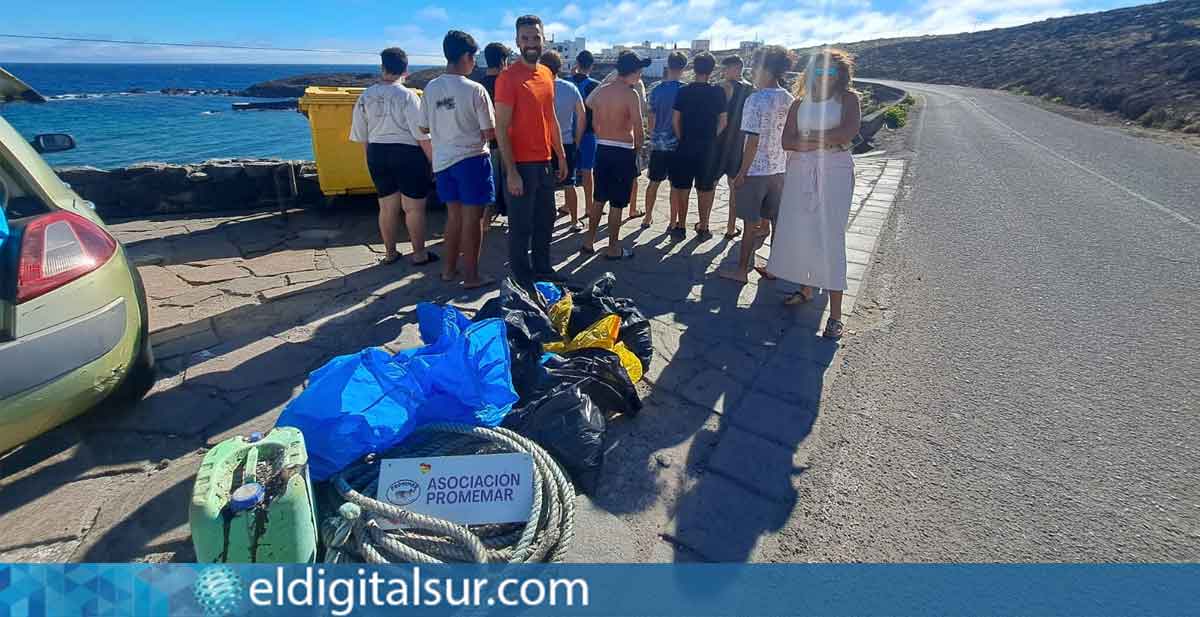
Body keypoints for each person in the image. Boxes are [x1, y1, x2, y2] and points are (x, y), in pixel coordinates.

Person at [767, 48, 861, 339]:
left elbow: (846, 134)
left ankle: (835, 315)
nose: (824, 76)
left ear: (840, 73)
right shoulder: (798, 103)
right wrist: (820, 141)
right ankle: (806, 288)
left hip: (834, 172)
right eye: (819, 70)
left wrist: (806, 140)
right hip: (800, 171)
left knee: (830, 236)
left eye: (830, 71)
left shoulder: (848, 99)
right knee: (802, 230)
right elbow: (786, 141)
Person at [494, 14, 569, 285]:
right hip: (520, 165)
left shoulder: (547, 74)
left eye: (535, 37)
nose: (531, 43)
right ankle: (522, 280)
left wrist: (560, 155)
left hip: (545, 162)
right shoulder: (507, 78)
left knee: (545, 221)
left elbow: (551, 119)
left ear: (544, 39)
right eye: (525, 38)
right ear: (517, 41)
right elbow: (500, 127)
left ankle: (543, 270)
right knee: (520, 227)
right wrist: (511, 172)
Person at [421, 31, 497, 289]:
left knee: (453, 217)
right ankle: (472, 276)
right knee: (473, 220)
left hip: (443, 161)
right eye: (474, 57)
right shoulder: (476, 89)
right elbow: (489, 132)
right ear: (466, 56)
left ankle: (448, 270)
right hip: (472, 160)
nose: (474, 63)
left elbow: (422, 127)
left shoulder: (430, 88)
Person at [350, 47, 436, 266]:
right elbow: (421, 135)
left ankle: (390, 253)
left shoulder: (365, 96)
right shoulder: (408, 96)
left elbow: (362, 135)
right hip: (407, 154)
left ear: (382, 67)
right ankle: (419, 254)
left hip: (377, 152)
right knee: (413, 208)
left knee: (386, 206)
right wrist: (433, 163)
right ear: (405, 70)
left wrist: (370, 159)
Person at [719, 46, 794, 283]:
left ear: (765, 69)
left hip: (756, 170)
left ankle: (741, 270)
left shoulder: (755, 100)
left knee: (750, 223)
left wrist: (741, 173)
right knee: (776, 221)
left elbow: (752, 141)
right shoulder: (789, 99)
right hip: (779, 170)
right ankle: (774, 267)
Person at [581, 50, 648, 260]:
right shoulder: (631, 94)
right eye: (639, 72)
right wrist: (638, 149)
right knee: (617, 203)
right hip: (622, 151)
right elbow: (639, 127)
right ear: (634, 71)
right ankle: (612, 247)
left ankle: (588, 241)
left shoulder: (602, 92)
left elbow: (589, 102)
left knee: (599, 198)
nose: (640, 76)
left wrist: (608, 80)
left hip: (602, 148)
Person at [668, 52, 726, 239]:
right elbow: (723, 122)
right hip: (707, 148)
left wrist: (682, 137)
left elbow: (675, 119)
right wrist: (710, 137)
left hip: (685, 145)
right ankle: (703, 226)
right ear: (712, 70)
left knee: (682, 187)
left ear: (694, 69)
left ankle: (681, 226)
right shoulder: (718, 92)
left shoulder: (683, 91)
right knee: (705, 189)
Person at [541, 50, 586, 231]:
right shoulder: (570, 88)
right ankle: (575, 221)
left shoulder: (537, 87)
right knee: (570, 184)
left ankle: (545, 222)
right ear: (559, 67)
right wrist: (577, 139)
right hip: (567, 141)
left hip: (543, 143)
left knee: (546, 187)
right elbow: (582, 117)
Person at [643, 51, 687, 229]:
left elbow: (651, 117)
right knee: (675, 186)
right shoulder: (684, 90)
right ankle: (672, 221)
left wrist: (654, 136)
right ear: (683, 68)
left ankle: (647, 217)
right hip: (677, 144)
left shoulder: (656, 89)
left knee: (653, 182)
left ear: (668, 65)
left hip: (658, 143)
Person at [717, 54, 754, 239]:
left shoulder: (717, 87)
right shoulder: (749, 90)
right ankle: (730, 228)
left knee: (711, 185)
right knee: (733, 187)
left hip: (719, 144)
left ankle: (705, 224)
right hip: (737, 144)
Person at [478, 42, 511, 233]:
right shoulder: (507, 84)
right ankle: (514, 222)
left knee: (488, 186)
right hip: (506, 143)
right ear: (503, 61)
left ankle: (485, 224)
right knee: (510, 186)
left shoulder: (478, 86)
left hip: (483, 144)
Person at [569, 51, 602, 219]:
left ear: (577, 63)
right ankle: (589, 207)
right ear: (592, 65)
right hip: (589, 133)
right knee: (588, 171)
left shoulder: (567, 83)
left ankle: (568, 205)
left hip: (569, 134)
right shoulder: (596, 85)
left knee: (569, 172)